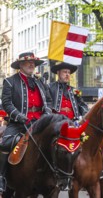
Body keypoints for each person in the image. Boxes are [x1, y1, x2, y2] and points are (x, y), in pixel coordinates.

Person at [0, 52, 53, 197]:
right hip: (19, 123)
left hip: (40, 123)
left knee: (57, 141)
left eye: (34, 63)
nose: (32, 65)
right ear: (21, 65)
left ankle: (59, 176)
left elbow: (48, 100)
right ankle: (2, 178)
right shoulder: (10, 81)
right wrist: (19, 116)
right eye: (29, 63)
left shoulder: (40, 82)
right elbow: (7, 103)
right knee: (5, 143)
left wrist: (47, 113)